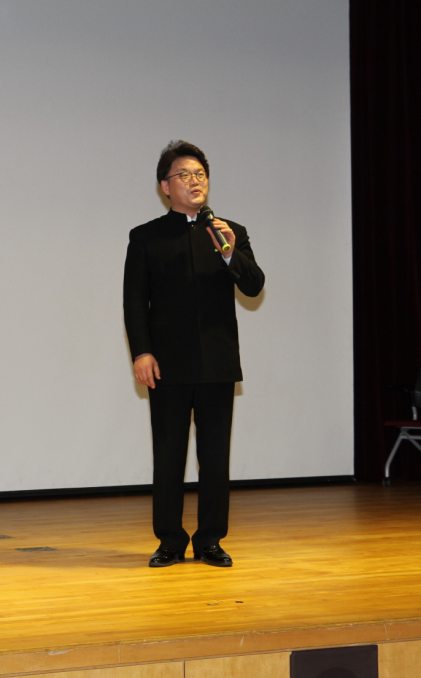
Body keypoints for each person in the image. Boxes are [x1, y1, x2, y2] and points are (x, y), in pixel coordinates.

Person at [123, 141, 265, 568]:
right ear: (165, 186)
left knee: (215, 457)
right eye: (184, 175)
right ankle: (169, 541)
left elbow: (254, 286)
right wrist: (142, 352)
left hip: (217, 362)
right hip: (167, 363)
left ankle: (210, 540)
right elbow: (134, 301)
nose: (194, 181)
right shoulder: (146, 237)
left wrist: (229, 251)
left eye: (200, 174)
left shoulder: (230, 232)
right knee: (169, 455)